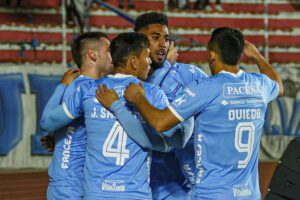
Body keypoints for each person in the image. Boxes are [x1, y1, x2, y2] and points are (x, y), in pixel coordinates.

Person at [123, 27, 284, 200]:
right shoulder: (259, 85)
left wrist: (139, 98)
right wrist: (258, 57)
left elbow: (160, 123)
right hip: (249, 194)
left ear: (212, 55)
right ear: (241, 54)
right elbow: (279, 86)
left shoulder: (205, 88)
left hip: (212, 194)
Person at [133, 12, 208, 200]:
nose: (162, 44)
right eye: (155, 38)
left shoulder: (188, 74)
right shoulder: (128, 77)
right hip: (134, 185)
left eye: (166, 39)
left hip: (177, 184)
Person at [40, 32, 113, 200]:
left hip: (72, 185)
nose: (113, 55)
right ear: (92, 54)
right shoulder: (85, 89)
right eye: (108, 50)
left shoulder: (75, 86)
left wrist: (54, 138)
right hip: (71, 188)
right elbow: (47, 122)